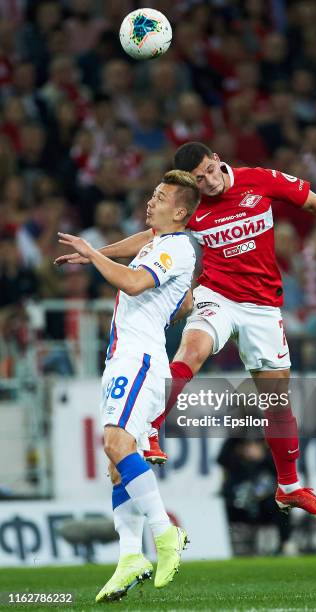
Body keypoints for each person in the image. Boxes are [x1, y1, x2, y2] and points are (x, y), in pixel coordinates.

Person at [56, 142, 316, 518]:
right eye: (198, 178)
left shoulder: (260, 180)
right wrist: (96, 253)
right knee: (192, 350)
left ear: (218, 161)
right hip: (216, 296)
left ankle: (288, 487)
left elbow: (314, 201)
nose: (207, 182)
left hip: (263, 306)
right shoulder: (194, 206)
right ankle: (148, 429)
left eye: (208, 171)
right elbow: (151, 236)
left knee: (276, 399)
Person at [56, 170, 199, 601]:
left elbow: (134, 282)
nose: (149, 202)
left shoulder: (177, 246)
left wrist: (91, 254)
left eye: (159, 197)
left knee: (115, 441)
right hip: (126, 357)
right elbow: (142, 244)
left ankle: (165, 533)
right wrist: (95, 252)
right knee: (118, 465)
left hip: (139, 361)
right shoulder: (161, 241)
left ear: (180, 211)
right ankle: (129, 557)